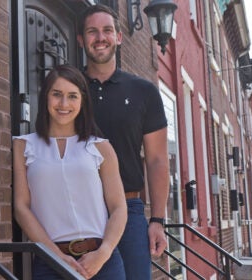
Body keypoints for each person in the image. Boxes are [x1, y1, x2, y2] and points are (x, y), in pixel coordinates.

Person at [77, 4, 170, 280]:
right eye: (92, 32)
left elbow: (156, 160)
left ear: (119, 36)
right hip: (79, 210)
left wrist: (158, 220)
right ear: (81, 40)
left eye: (107, 30)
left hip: (129, 212)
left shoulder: (145, 92)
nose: (100, 37)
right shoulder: (69, 91)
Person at [13, 64, 127, 280]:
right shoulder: (24, 146)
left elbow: (119, 207)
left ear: (82, 100)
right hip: (50, 261)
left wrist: (104, 253)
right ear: (46, 97)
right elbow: (22, 207)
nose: (64, 104)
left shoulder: (100, 147)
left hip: (102, 261)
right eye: (57, 94)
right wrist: (55, 256)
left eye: (72, 96)